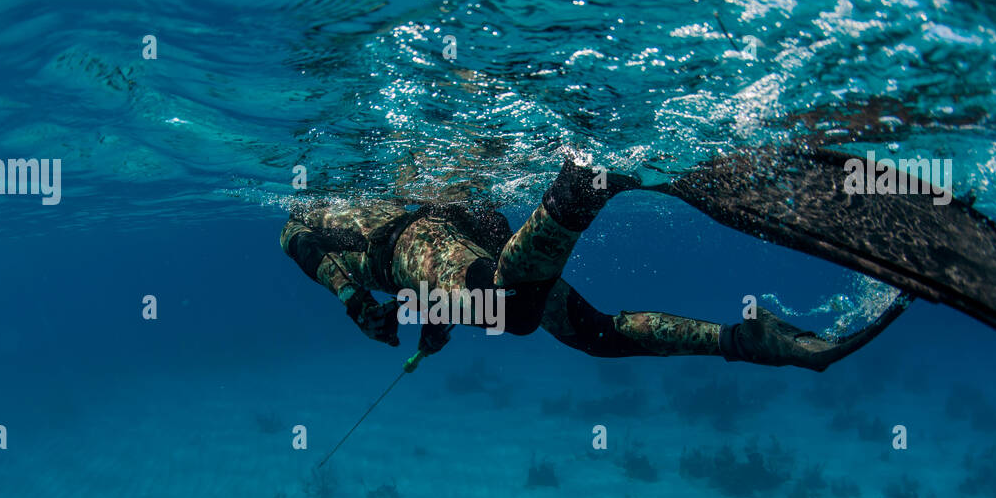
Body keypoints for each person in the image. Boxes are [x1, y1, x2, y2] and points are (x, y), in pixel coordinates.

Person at [280, 155, 910, 372]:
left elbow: (302, 246)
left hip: (414, 238)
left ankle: (585, 180)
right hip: (463, 244)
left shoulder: (306, 218)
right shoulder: (345, 204)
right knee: (595, 337)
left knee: (511, 311)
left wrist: (356, 304)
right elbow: (435, 286)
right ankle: (753, 341)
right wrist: (431, 320)